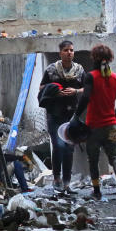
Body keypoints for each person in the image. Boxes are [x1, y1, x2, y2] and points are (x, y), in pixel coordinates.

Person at [74, 44, 116, 201]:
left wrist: (76, 115)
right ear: (110, 59)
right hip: (111, 125)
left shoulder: (90, 76)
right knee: (114, 157)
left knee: (94, 159)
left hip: (94, 127)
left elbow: (85, 97)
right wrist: (114, 117)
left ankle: (96, 190)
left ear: (94, 58)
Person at [39, 40, 86, 191]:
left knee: (69, 147)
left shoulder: (79, 70)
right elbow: (42, 87)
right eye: (66, 50)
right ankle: (56, 178)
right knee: (58, 146)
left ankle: (66, 182)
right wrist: (55, 91)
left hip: (71, 115)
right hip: (55, 114)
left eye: (71, 50)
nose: (69, 53)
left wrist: (76, 91)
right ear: (60, 53)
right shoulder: (52, 70)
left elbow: (88, 88)